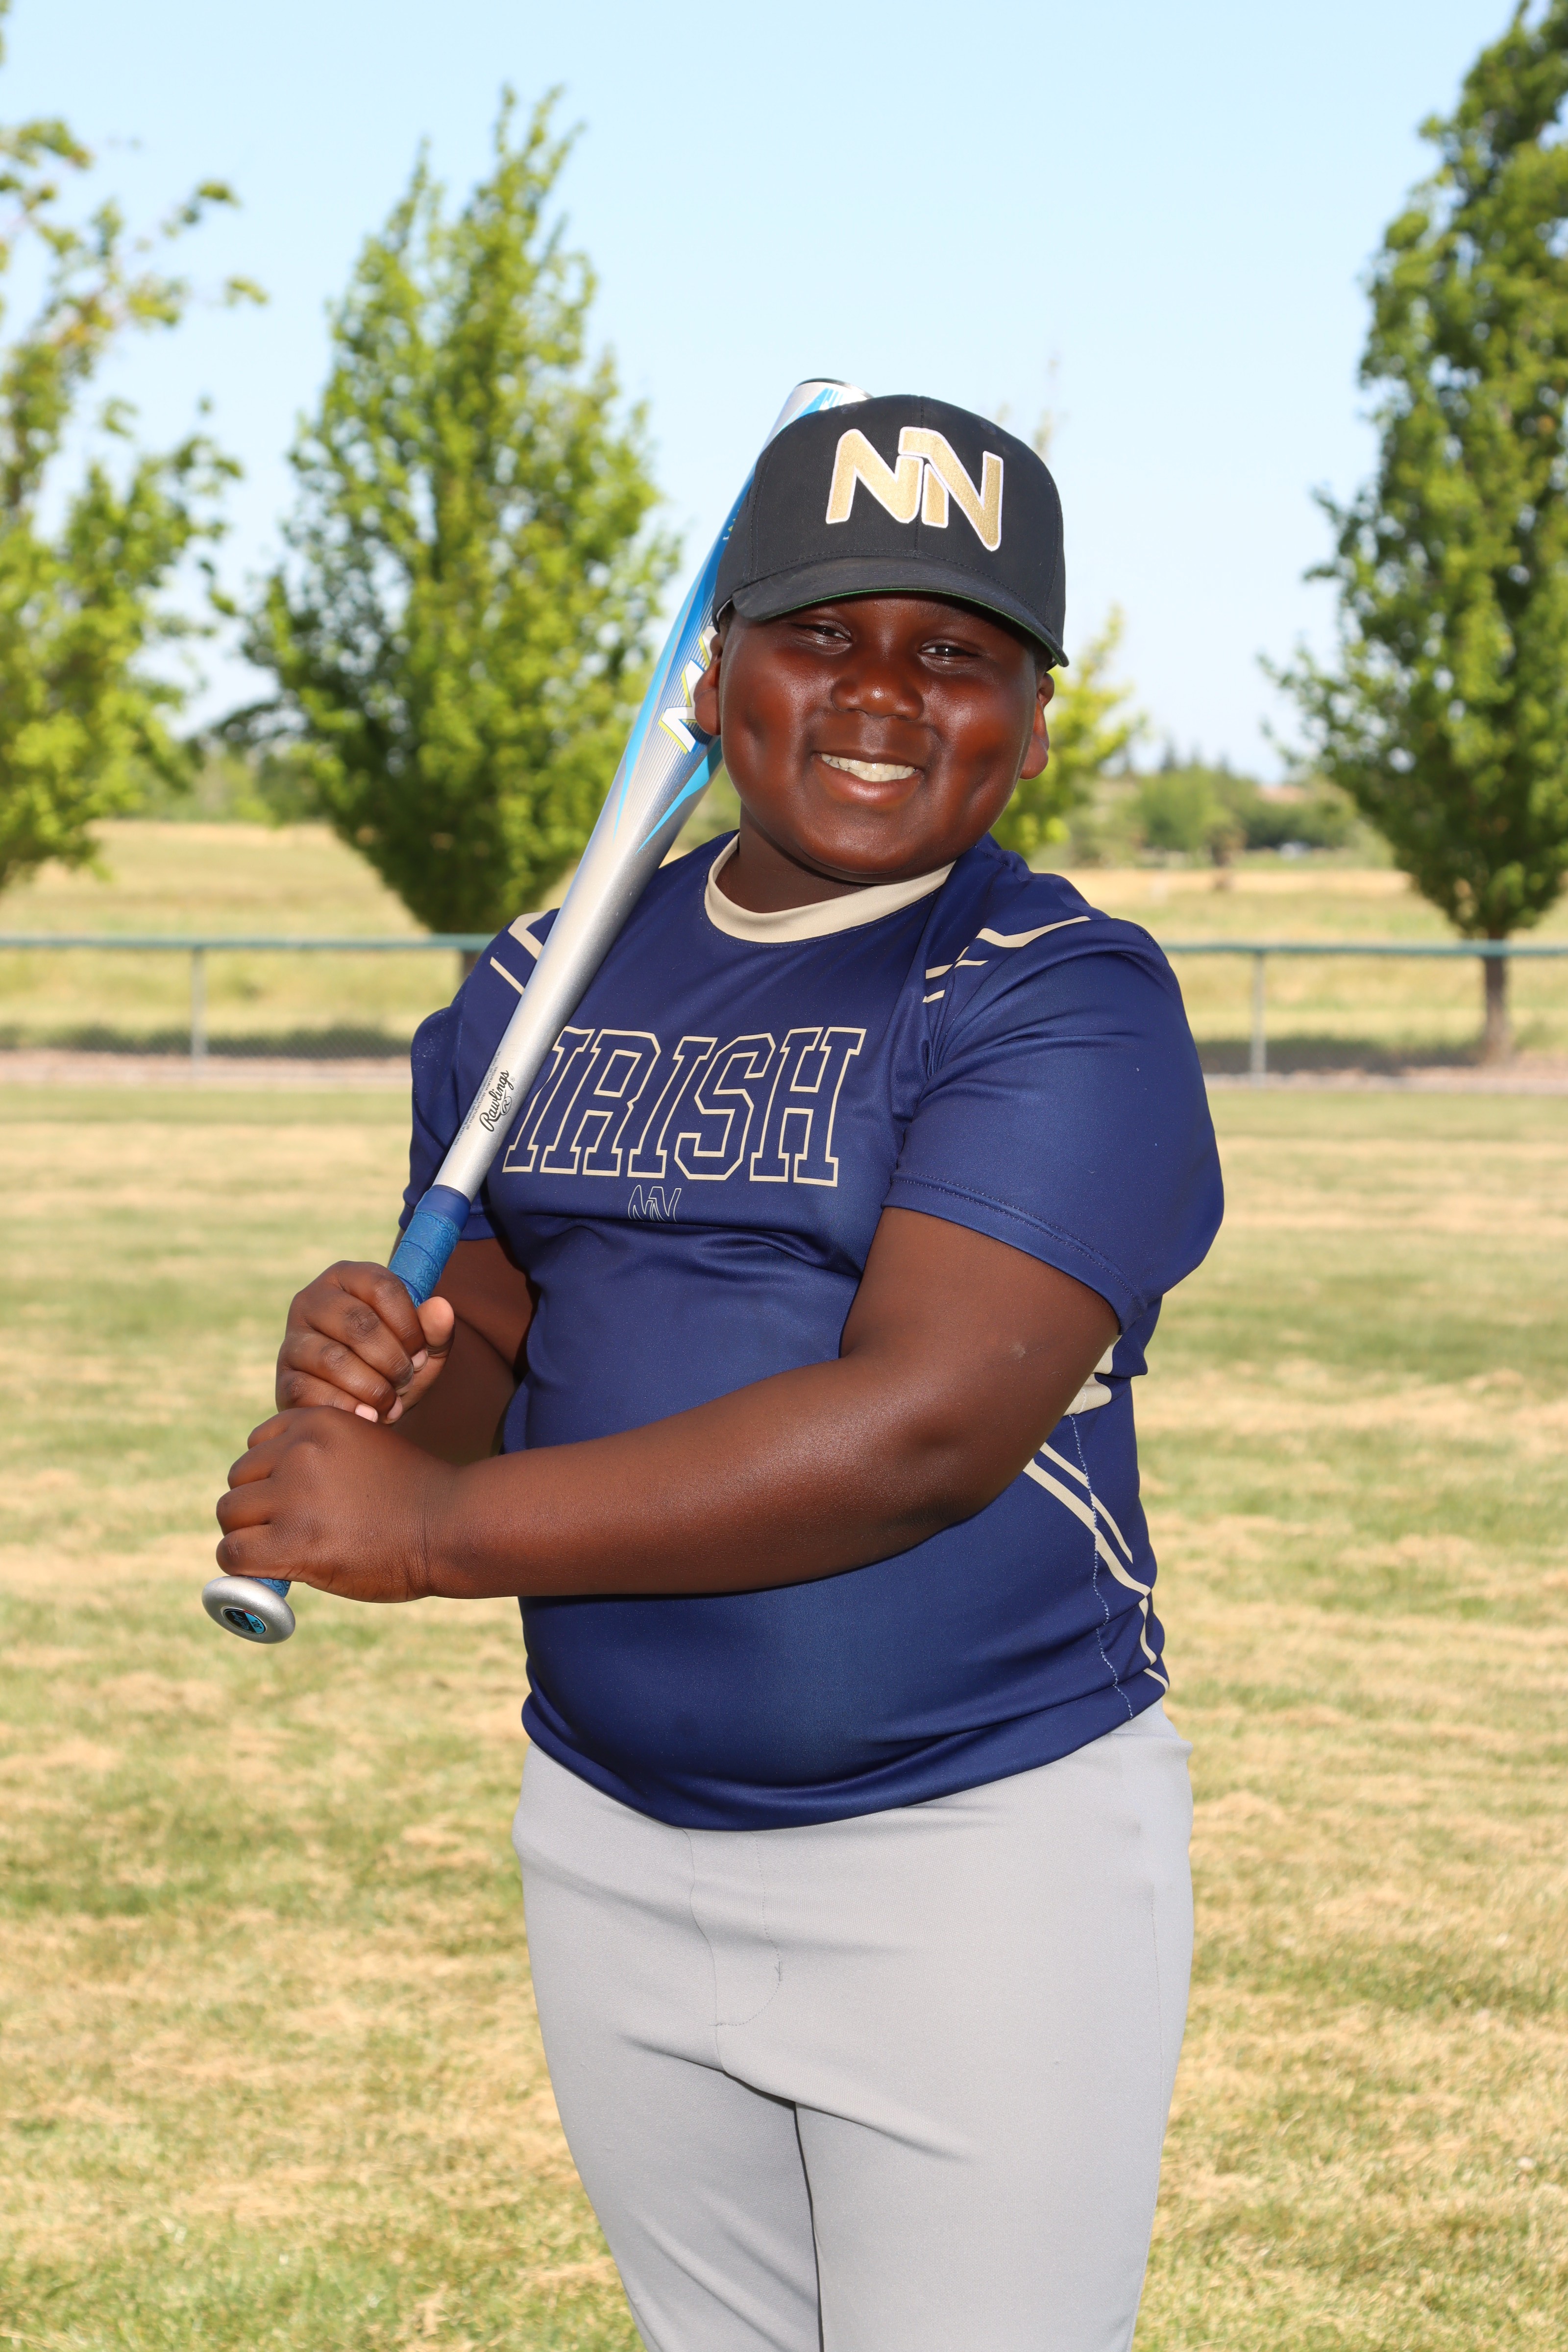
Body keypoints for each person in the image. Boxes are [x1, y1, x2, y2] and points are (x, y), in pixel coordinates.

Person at [217, 393, 1224, 2352]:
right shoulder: (543, 977)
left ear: (1033, 717)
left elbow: (919, 1435)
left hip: (967, 1850)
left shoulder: (1057, 992)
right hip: (608, 1832)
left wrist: (432, 1532)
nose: (882, 692)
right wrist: (383, 1376)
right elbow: (495, 1349)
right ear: (716, 671)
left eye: (956, 651)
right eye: (822, 631)